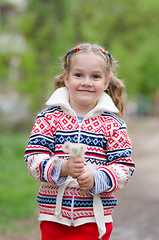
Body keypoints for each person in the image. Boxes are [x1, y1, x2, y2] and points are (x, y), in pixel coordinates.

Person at [24, 43, 135, 240]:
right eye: (78, 75)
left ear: (107, 80)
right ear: (66, 78)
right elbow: (33, 159)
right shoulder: (48, 118)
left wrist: (96, 178)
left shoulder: (113, 124)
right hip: (54, 218)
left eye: (95, 76)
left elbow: (124, 167)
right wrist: (63, 167)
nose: (86, 82)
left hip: (94, 220)